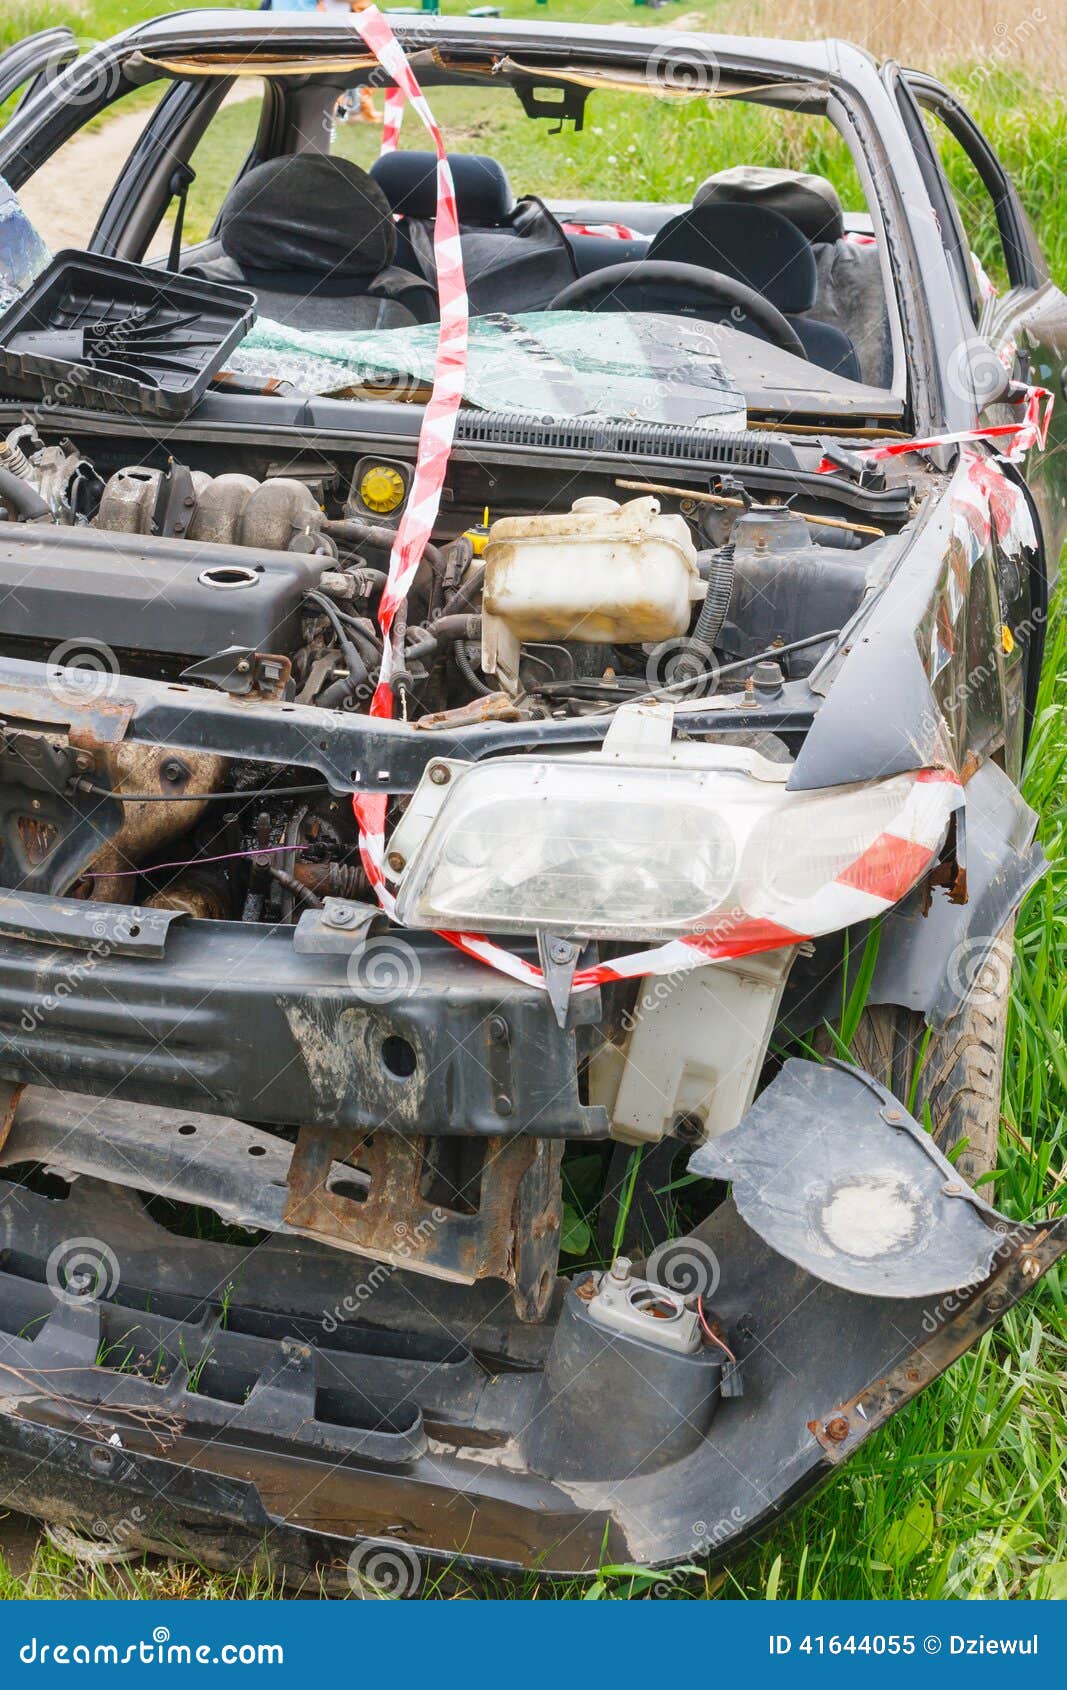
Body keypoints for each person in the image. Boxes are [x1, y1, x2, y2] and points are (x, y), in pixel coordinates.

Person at [260, 0, 382, 121]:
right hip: (315, 28)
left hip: (310, 28)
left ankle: (346, 111)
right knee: (330, 75)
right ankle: (338, 111)